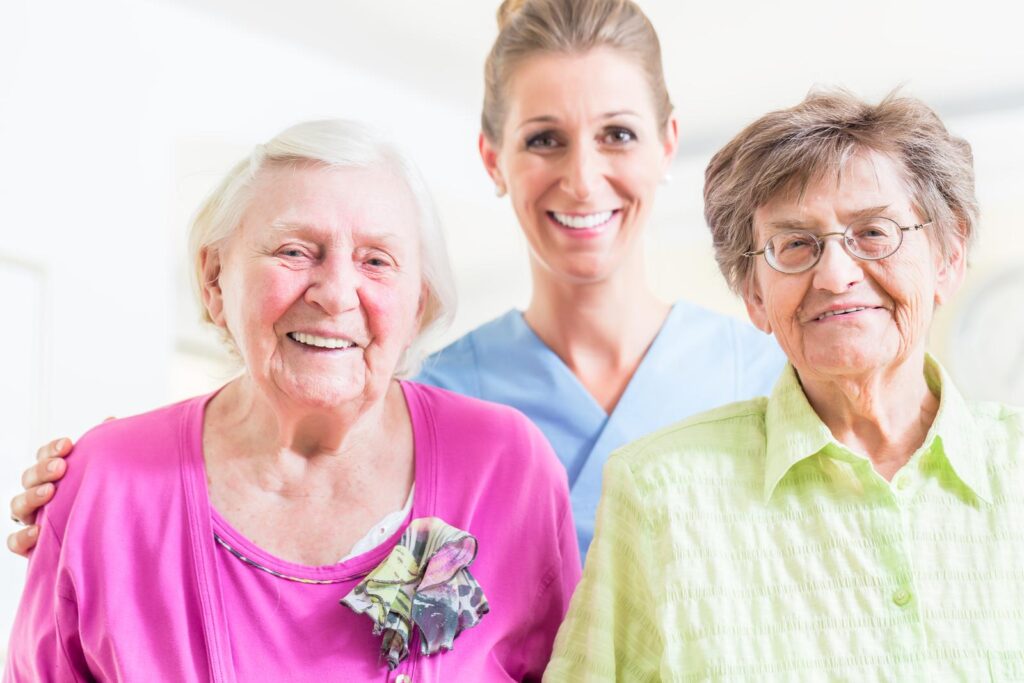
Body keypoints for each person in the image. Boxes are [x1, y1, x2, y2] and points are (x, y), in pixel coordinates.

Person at [8, 0, 784, 559]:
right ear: (492, 158)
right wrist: (99, 490)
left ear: (667, 144)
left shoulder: (766, 377)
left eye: (618, 134)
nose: (582, 179)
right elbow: (277, 488)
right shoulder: (423, 401)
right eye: (544, 138)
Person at [5, 120, 580, 681]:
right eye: (295, 251)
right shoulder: (105, 483)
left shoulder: (507, 468)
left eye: (376, 260)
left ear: (419, 305)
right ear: (214, 279)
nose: (335, 294)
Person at [544, 90, 1024, 680]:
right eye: (794, 245)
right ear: (753, 295)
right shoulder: (660, 491)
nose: (836, 274)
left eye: (873, 232)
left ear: (947, 257)